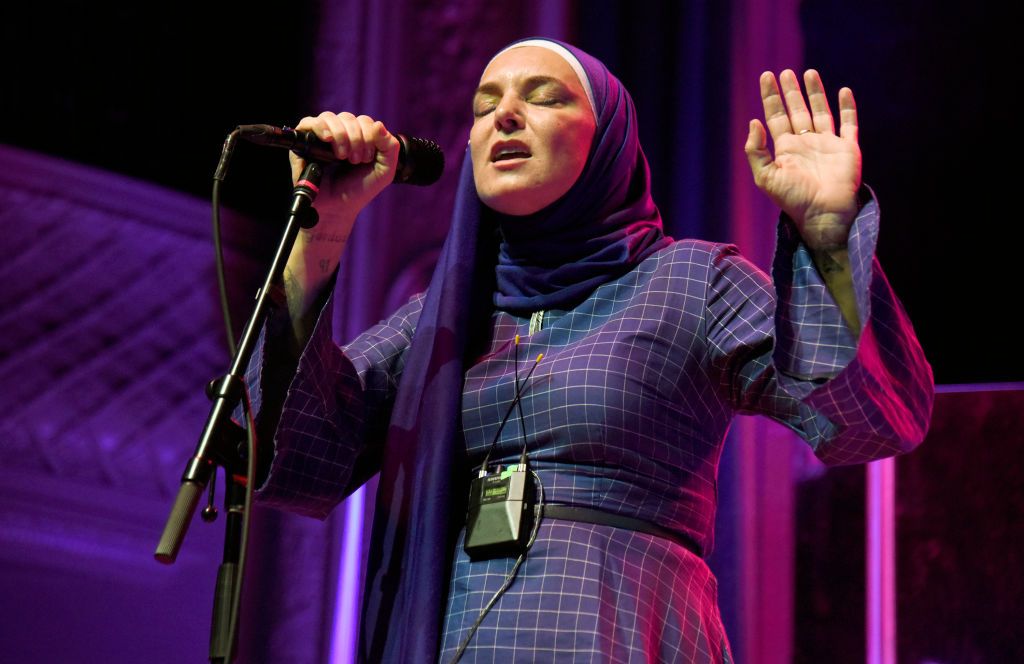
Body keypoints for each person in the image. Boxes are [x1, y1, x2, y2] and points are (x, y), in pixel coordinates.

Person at [246, 38, 933, 663]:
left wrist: (825, 231)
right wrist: (321, 230)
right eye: (484, 107)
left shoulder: (689, 281)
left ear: (608, 140)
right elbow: (289, 457)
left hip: (623, 631)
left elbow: (869, 417)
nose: (504, 116)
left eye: (543, 97)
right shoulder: (441, 320)